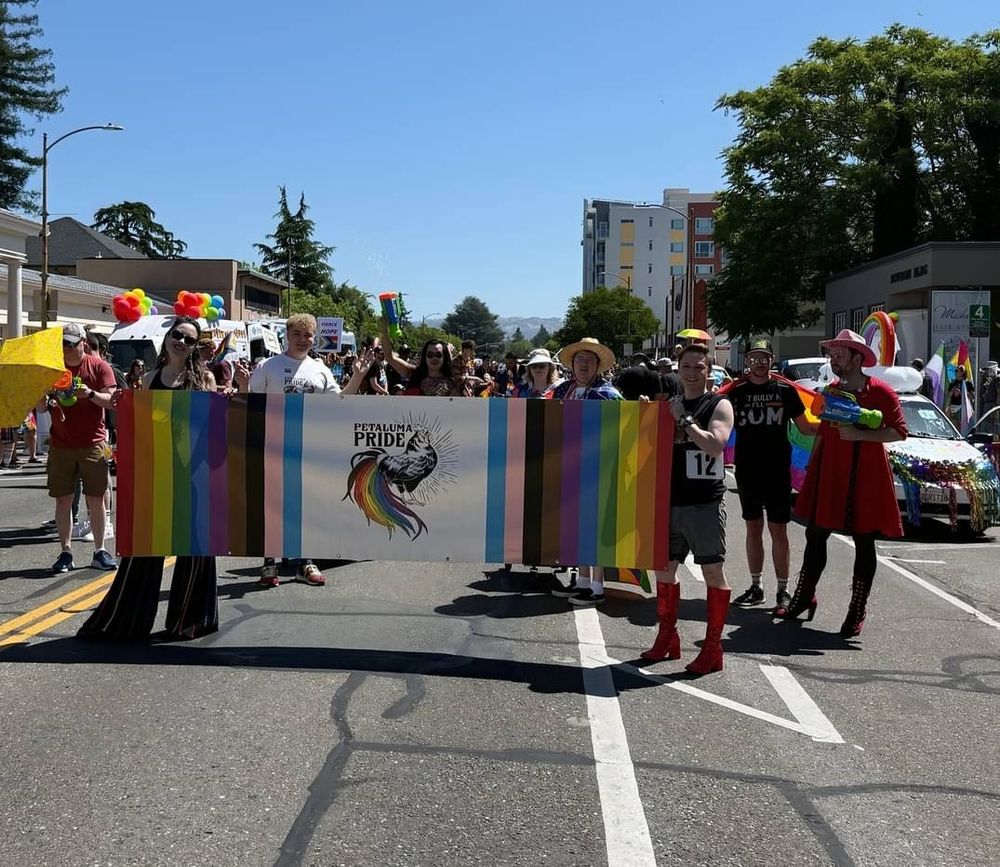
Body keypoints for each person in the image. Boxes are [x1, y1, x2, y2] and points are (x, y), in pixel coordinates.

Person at [78, 316, 220, 641]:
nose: (181, 342)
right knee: (145, 546)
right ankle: (127, 619)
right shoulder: (151, 378)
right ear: (168, 338)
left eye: (188, 339)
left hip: (194, 474)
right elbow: (139, 427)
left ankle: (189, 620)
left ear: (195, 347)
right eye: (177, 335)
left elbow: (213, 427)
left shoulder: (204, 380)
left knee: (193, 547)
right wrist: (124, 407)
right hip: (156, 473)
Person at [777, 329, 907, 637]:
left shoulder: (881, 392)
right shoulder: (831, 390)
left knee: (864, 541)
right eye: (832, 355)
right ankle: (803, 597)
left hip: (866, 474)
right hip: (832, 471)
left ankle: (856, 610)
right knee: (815, 533)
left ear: (857, 357)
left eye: (839, 355)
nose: (834, 360)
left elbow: (899, 432)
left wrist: (862, 434)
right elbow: (822, 430)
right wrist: (813, 466)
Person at [236, 313, 369, 587]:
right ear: (287, 335)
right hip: (272, 447)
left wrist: (357, 376)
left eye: (308, 335)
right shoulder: (268, 366)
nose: (302, 339)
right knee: (272, 505)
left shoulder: (319, 369)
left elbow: (340, 400)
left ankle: (305, 562)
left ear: (314, 338)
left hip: (308, 449)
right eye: (296, 334)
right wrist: (242, 384)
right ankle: (269, 563)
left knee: (306, 507)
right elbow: (249, 401)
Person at [641, 343, 734, 674]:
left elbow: (714, 445)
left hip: (703, 504)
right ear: (677, 369)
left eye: (699, 367)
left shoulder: (718, 404)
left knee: (713, 573)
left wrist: (685, 419)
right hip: (668, 500)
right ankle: (668, 637)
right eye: (687, 367)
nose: (693, 373)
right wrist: (645, 417)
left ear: (709, 371)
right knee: (664, 571)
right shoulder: (669, 404)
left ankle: (712, 649)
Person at [724, 339, 815, 611]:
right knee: (753, 527)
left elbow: (806, 427)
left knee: (779, 530)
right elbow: (714, 418)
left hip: (777, 469)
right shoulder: (735, 391)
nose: (759, 362)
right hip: (747, 469)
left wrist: (836, 423)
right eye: (754, 358)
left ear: (772, 359)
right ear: (747, 360)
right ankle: (756, 586)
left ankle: (783, 590)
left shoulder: (786, 390)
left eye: (764, 357)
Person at [37, 323, 118, 574]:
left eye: (71, 343)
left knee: (96, 498)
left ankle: (99, 550)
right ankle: (65, 552)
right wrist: (44, 395)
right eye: (63, 343)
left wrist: (90, 393)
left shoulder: (98, 367)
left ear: (83, 342)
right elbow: (40, 408)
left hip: (93, 443)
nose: (66, 348)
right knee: (63, 500)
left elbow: (113, 401)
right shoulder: (54, 369)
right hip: (61, 444)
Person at [547, 337, 622, 606]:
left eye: (589, 361)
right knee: (574, 526)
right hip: (567, 466)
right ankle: (581, 580)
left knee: (593, 527)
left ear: (598, 365)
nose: (583, 365)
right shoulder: (562, 391)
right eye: (579, 360)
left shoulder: (608, 395)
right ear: (572, 364)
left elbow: (622, 427)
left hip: (597, 468)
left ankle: (597, 586)